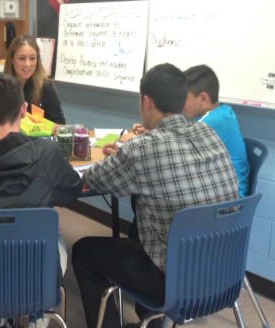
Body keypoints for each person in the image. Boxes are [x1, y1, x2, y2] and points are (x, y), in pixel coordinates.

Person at [71, 63, 239, 328]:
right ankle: (148, 320)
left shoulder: (142, 148)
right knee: (143, 224)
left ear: (146, 102)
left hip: (172, 280)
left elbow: (93, 179)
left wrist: (125, 157)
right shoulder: (210, 134)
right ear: (183, 99)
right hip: (222, 273)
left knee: (83, 252)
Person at [0, 72, 83, 328]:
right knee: (55, 235)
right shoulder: (47, 155)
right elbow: (72, 190)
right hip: (36, 273)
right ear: (24, 110)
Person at [183, 64, 250, 198]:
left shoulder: (215, 121)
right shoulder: (218, 114)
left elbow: (175, 148)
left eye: (184, 98)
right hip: (221, 190)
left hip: (229, 200)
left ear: (202, 98)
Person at [4, 34, 65, 124]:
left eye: (32, 58)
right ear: (12, 59)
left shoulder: (45, 87)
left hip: (39, 137)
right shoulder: (1, 86)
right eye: (22, 58)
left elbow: (59, 125)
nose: (27, 64)